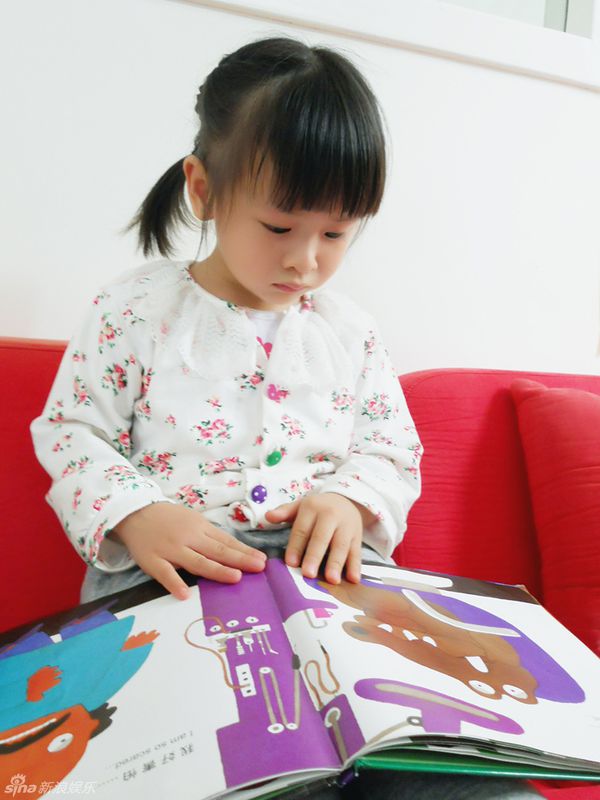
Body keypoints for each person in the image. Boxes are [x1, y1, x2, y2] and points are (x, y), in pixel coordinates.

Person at [31, 38, 540, 799]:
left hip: (331, 588)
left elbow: (392, 449)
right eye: (279, 228)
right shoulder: (133, 311)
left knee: (453, 771)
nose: (306, 261)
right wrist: (137, 514)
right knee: (262, 772)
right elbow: (73, 431)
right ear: (203, 189)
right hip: (176, 586)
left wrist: (350, 501)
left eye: (335, 234)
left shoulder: (350, 332)